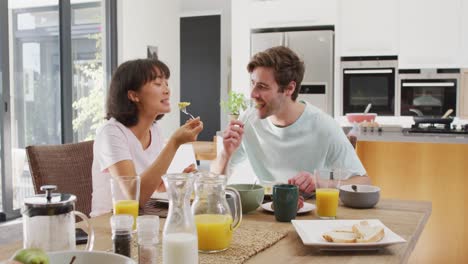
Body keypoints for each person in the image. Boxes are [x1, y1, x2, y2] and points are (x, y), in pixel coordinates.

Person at [212, 46, 370, 205]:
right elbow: (214, 182)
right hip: (265, 212)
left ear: (289, 88)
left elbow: (364, 182)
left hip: (311, 215)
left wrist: (321, 183)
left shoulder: (324, 126)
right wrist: (226, 154)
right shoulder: (248, 120)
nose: (253, 94)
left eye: (262, 86)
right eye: (253, 84)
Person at [91, 59, 203, 217]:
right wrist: (174, 142)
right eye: (158, 84)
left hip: (142, 218)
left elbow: (155, 186)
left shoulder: (154, 130)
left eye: (166, 83)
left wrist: (179, 180)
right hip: (110, 224)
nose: (167, 90)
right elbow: (134, 197)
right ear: (133, 95)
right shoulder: (111, 133)